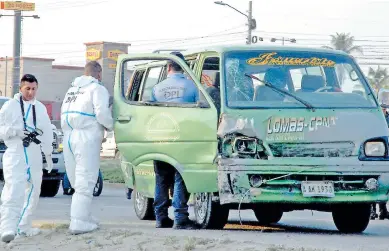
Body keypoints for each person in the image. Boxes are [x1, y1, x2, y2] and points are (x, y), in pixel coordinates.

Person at [61, 61, 113, 235]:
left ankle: (84, 216)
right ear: (98, 74)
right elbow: (102, 114)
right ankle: (79, 222)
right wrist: (112, 126)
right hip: (86, 136)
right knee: (86, 179)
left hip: (68, 136)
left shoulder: (72, 90)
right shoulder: (97, 89)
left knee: (76, 180)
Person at [0, 74, 53, 242]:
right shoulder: (10, 106)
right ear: (20, 88)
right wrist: (15, 131)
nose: (30, 92)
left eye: (33, 89)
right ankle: (7, 228)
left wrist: (48, 153)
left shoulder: (40, 108)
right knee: (13, 190)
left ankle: (24, 225)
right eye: (27, 89)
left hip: (34, 152)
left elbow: (46, 131)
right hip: (15, 152)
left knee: (34, 190)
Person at [149, 52, 199, 229]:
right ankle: (180, 218)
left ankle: (161, 217)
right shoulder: (192, 87)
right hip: (183, 139)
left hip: (161, 138)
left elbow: (150, 113)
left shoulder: (157, 89)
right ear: (184, 66)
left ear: (168, 67)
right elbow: (200, 112)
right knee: (180, 177)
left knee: (161, 178)